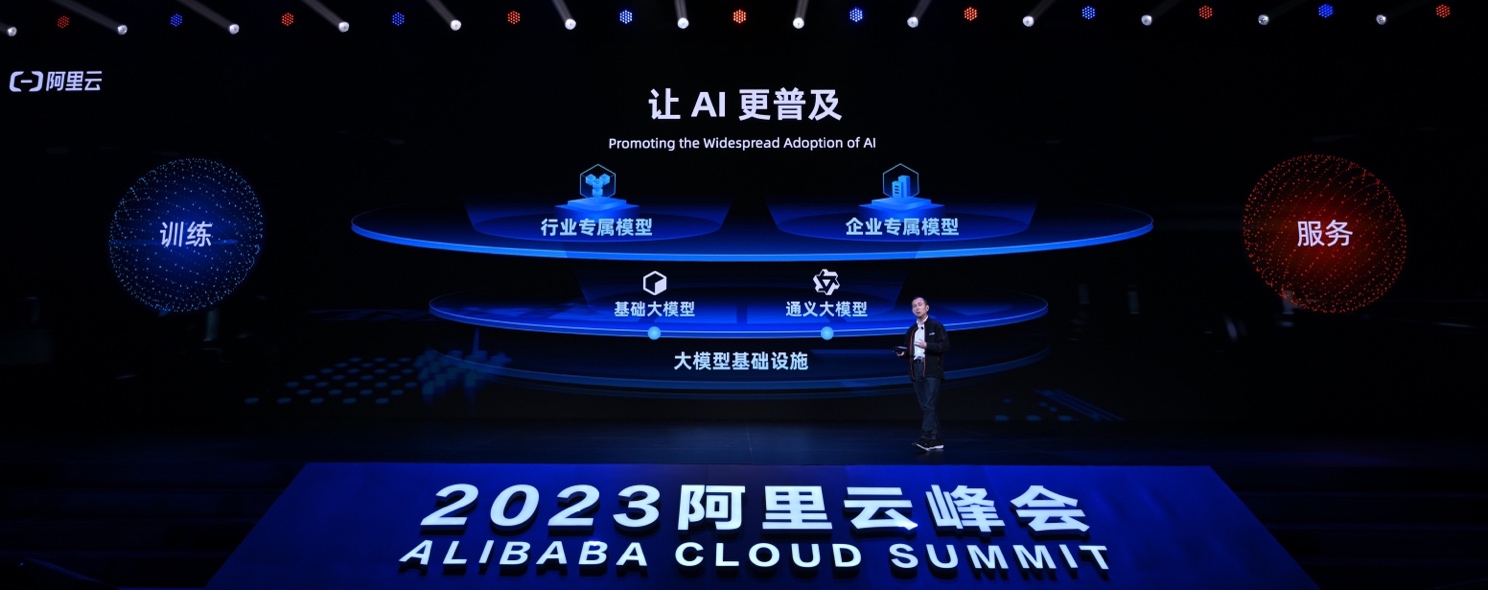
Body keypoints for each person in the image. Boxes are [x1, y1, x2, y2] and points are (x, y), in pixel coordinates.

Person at [896, 296, 949, 451]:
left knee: (929, 405)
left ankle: (925, 439)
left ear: (927, 308)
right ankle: (936, 440)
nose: (917, 308)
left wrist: (927, 345)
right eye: (914, 306)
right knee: (926, 406)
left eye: (920, 305)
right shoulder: (911, 330)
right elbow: (909, 350)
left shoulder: (936, 326)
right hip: (916, 369)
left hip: (931, 369)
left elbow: (945, 346)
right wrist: (903, 353)